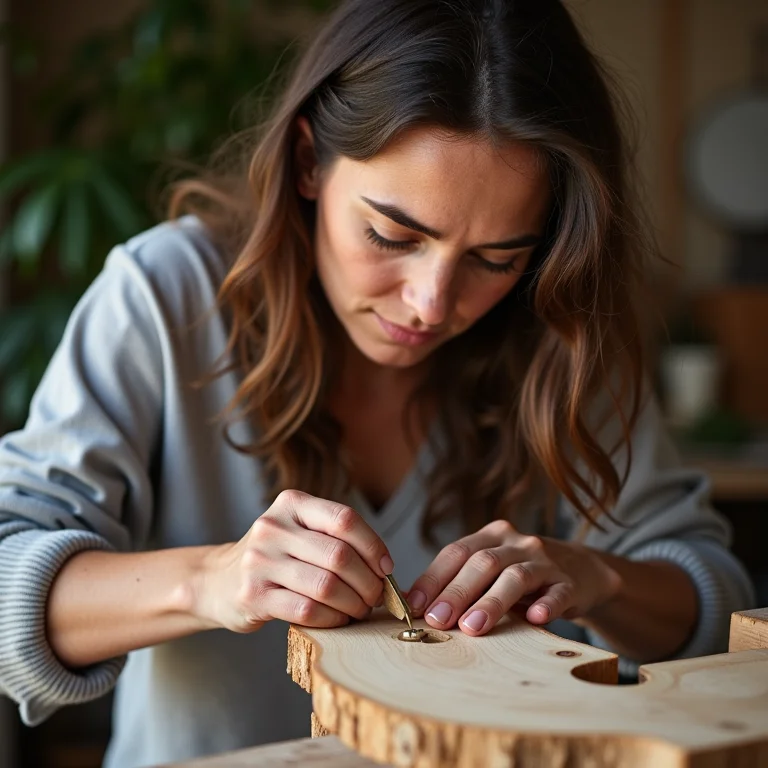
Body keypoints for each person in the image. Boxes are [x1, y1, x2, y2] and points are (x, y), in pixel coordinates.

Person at [0, 0, 755, 766]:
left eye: (496, 259)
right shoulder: (165, 295)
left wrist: (600, 578)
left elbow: (716, 604)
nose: (431, 304)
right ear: (307, 163)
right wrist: (211, 579)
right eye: (392, 236)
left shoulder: (560, 323)